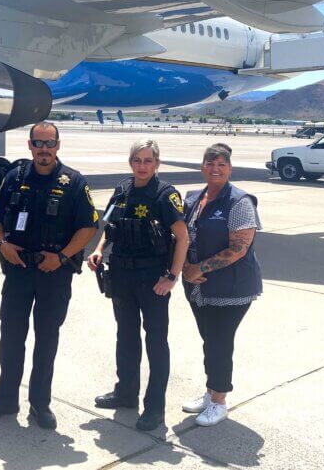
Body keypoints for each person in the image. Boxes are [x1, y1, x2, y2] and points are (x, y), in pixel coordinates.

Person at [0, 121, 99, 430]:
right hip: (18, 271)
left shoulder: (74, 183)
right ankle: (5, 400)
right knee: (11, 337)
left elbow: (88, 227)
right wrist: (2, 244)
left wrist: (61, 257)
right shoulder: (14, 178)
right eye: (38, 143)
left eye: (49, 144)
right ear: (29, 145)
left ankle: (40, 404)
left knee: (46, 340)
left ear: (58, 146)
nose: (44, 150)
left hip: (53, 274)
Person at [88, 138, 189, 431]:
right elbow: (110, 228)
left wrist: (172, 276)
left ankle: (155, 408)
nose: (142, 166)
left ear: (156, 164)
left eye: (148, 161)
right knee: (126, 337)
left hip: (153, 279)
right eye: (137, 160)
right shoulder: (122, 190)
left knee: (155, 342)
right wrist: (98, 250)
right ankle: (126, 394)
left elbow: (182, 238)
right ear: (131, 162)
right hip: (121, 275)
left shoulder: (165, 195)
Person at [180, 143, 262, 427]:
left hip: (231, 288)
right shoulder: (193, 198)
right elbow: (182, 238)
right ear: (202, 166)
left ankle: (219, 401)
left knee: (219, 341)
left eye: (221, 165)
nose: (215, 169)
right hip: (198, 287)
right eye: (209, 163)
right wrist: (184, 270)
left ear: (229, 168)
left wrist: (197, 269)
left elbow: (239, 247)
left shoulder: (239, 202)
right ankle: (210, 391)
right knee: (209, 340)